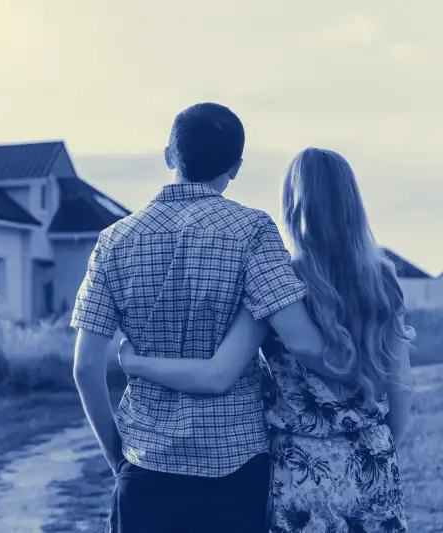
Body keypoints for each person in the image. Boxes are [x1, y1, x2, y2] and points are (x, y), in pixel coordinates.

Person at [71, 103, 348, 533]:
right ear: (236, 168)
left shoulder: (113, 241)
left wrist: (117, 458)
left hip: (146, 467)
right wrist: (368, 373)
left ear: (169, 156)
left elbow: (86, 366)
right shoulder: (253, 230)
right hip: (235, 471)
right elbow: (305, 343)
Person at [117, 147, 414, 532]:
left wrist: (136, 363)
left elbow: (216, 374)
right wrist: (380, 442)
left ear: (292, 206)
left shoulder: (276, 282)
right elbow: (401, 386)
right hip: (372, 456)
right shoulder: (383, 279)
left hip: (299, 467)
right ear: (352, 203)